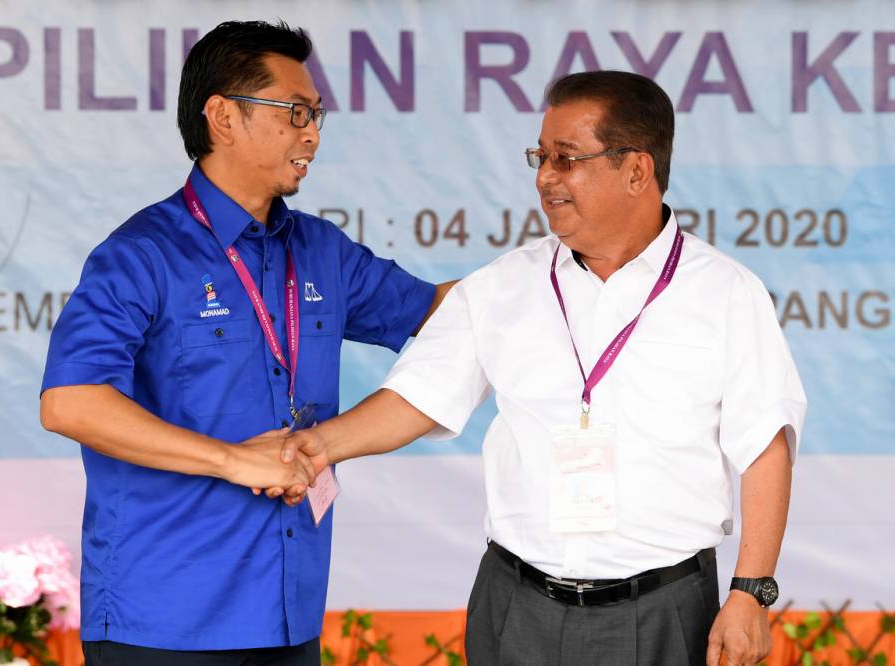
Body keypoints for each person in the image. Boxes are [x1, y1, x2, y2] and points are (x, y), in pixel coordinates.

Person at [282, 71, 806, 666]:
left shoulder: (727, 294)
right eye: (540, 156)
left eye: (566, 158)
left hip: (661, 610)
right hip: (517, 607)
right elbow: (417, 398)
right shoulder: (505, 285)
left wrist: (750, 593)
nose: (544, 177)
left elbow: (765, 447)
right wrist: (315, 446)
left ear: (637, 170)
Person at [39, 20, 453, 665]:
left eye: (316, 115)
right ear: (223, 117)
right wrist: (234, 461)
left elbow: (438, 312)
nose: (312, 132)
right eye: (294, 112)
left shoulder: (322, 250)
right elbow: (70, 401)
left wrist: (564, 269)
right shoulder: (143, 254)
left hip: (288, 611)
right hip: (165, 620)